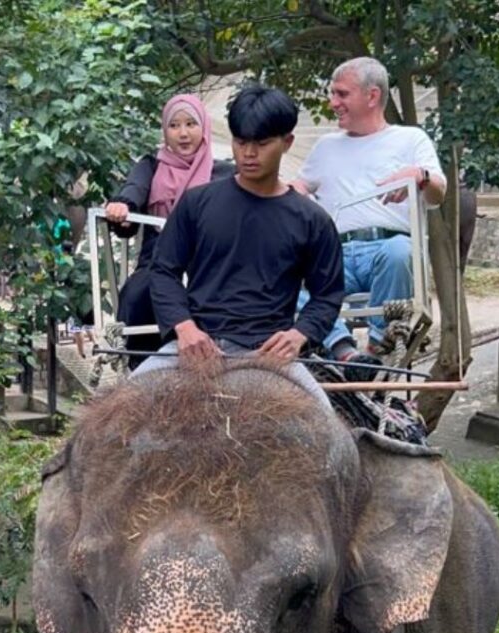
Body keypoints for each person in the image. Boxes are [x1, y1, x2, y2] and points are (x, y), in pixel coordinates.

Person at [136, 83, 344, 405]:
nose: (248, 153)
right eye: (241, 142)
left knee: (325, 421)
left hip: (270, 356)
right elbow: (163, 272)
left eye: (262, 143)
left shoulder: (312, 220)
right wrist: (185, 328)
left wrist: (298, 334)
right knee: (117, 409)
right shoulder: (196, 203)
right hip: (196, 347)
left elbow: (327, 295)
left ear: (286, 142)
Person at [290, 56, 446, 360]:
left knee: (400, 250)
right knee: (284, 271)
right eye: (333, 94)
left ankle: (378, 345)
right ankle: (344, 350)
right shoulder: (325, 146)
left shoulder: (411, 139)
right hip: (335, 256)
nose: (333, 103)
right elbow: (298, 187)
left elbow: (439, 193)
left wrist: (420, 175)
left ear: (372, 96)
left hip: (387, 251)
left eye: (342, 94)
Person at [103, 94, 232, 365]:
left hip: (208, 263)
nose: (183, 133)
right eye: (174, 125)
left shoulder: (224, 174)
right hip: (159, 260)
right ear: (165, 130)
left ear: (204, 127)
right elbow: (134, 189)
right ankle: (140, 368)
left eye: (191, 124)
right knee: (139, 293)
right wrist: (123, 207)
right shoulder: (151, 166)